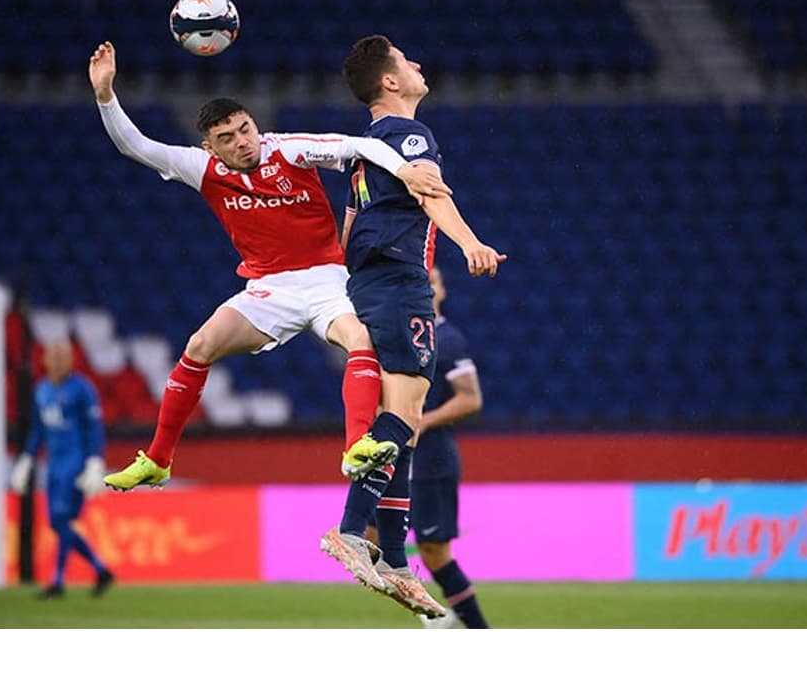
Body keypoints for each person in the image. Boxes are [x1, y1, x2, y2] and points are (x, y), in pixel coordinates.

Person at [86, 41, 452, 490]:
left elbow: (360, 146)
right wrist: (106, 95)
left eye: (245, 129)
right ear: (210, 146)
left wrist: (406, 170)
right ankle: (159, 460)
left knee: (359, 339)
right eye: (227, 138)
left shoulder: (290, 150)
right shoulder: (201, 168)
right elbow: (135, 146)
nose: (242, 142)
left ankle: (357, 444)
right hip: (268, 289)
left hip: (327, 280)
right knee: (200, 344)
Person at [320, 35, 506, 619]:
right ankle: (353, 530)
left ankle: (395, 558)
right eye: (407, 59)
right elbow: (430, 193)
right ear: (390, 82)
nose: (419, 63)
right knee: (406, 413)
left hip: (369, 284)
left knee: (401, 423)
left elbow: (349, 227)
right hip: (401, 283)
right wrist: (471, 243)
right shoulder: (410, 135)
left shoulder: (362, 149)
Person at [366, 264, 489, 628]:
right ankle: (430, 613)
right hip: (392, 458)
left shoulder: (448, 339)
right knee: (370, 545)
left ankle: (479, 630)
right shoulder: (394, 337)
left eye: (431, 280)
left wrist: (418, 422)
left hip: (432, 462)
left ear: (441, 290)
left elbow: (470, 399)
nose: (423, 286)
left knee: (434, 552)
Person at [9, 339, 114, 599]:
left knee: (59, 519)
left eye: (62, 357)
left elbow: (94, 428)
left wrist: (94, 461)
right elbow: (38, 430)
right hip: (54, 465)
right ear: (44, 360)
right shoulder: (41, 390)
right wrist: (27, 460)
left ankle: (59, 581)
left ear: (71, 360)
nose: (57, 362)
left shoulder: (82, 389)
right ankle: (98, 570)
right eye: (53, 357)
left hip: (75, 463)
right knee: (60, 522)